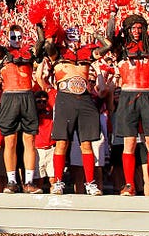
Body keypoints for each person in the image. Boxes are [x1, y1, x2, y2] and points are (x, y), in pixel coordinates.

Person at [107, 1, 149, 196]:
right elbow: (109, 37)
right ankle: (129, 184)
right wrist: (113, 14)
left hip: (148, 95)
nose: (136, 31)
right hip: (128, 95)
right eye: (132, 28)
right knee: (129, 143)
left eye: (139, 27)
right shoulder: (120, 48)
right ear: (126, 29)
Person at [44, 25, 108, 195]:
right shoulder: (57, 53)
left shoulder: (87, 53)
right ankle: (57, 181)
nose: (74, 38)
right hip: (65, 98)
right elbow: (47, 47)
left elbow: (107, 46)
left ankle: (90, 182)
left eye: (76, 35)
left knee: (87, 143)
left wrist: (94, 33)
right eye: (70, 35)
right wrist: (51, 34)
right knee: (62, 142)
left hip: (85, 99)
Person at [0, 22, 45, 193]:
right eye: (13, 37)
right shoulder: (2, 53)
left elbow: (41, 42)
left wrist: (37, 23)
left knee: (29, 140)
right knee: (10, 141)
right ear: (8, 37)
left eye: (19, 37)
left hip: (27, 95)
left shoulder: (29, 52)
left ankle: (29, 181)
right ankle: (11, 181)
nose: (16, 40)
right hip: (9, 96)